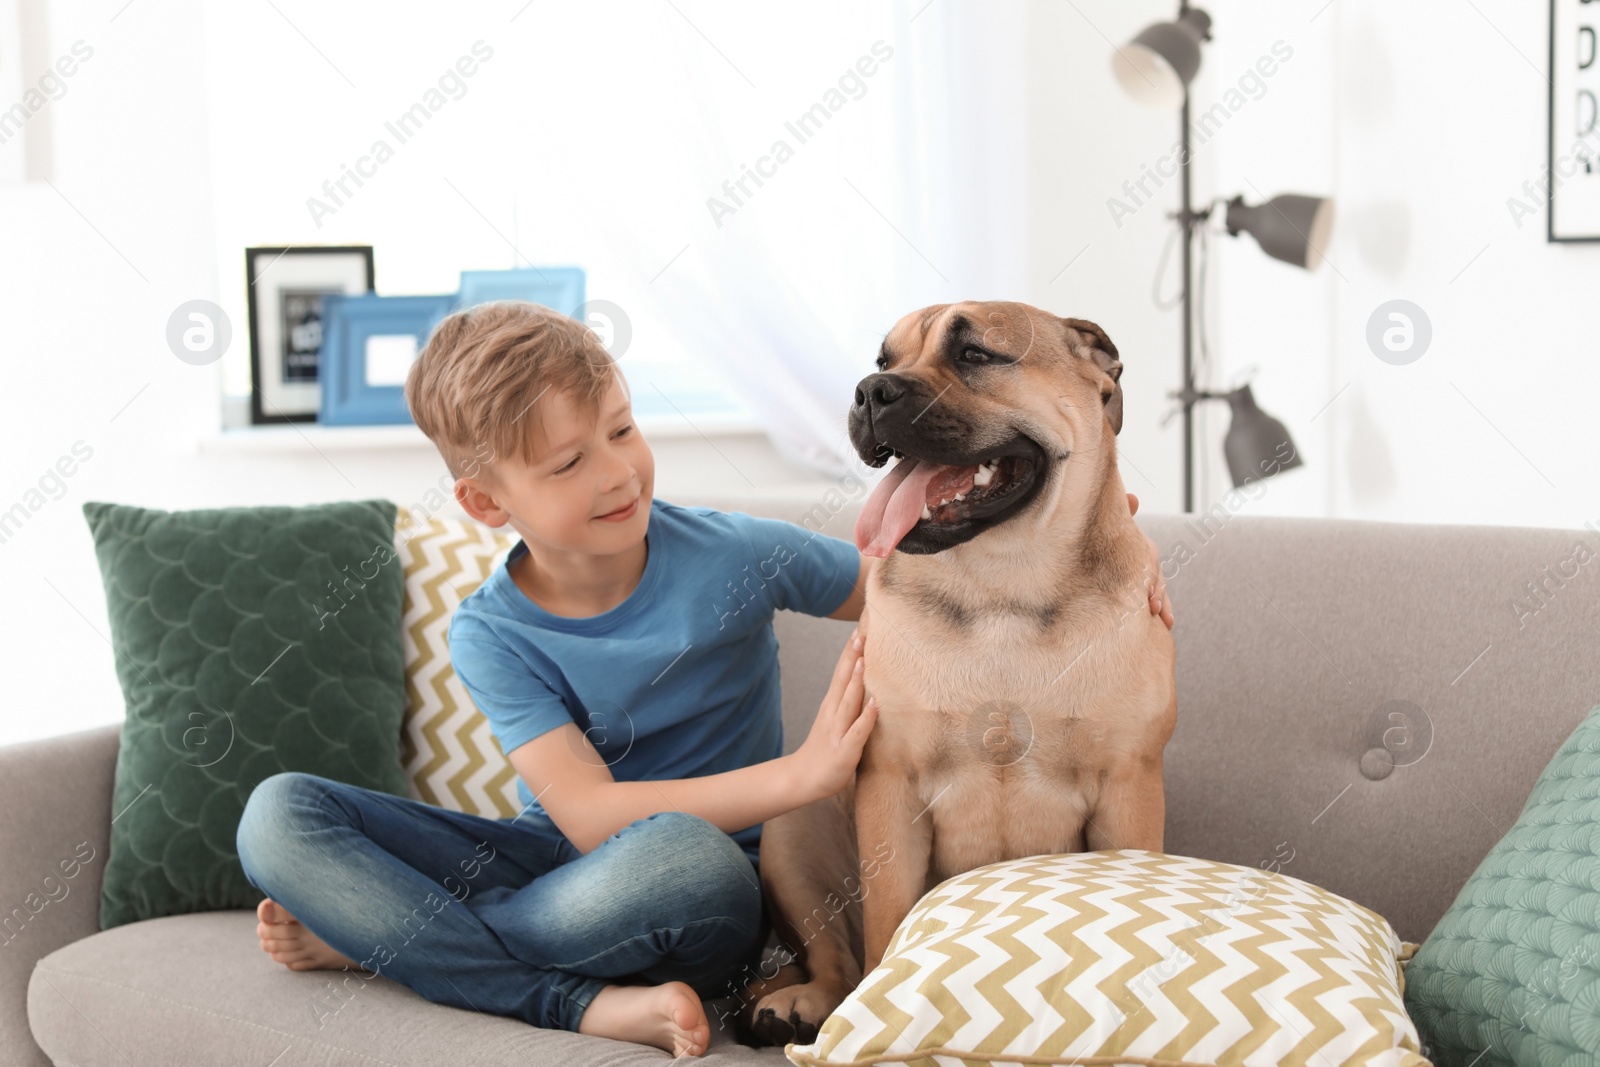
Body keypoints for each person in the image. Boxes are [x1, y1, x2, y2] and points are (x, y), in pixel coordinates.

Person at [234, 300, 1173, 1058]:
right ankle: (517, 977)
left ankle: (395, 938)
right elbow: (588, 819)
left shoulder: (733, 553)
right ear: (486, 503)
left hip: (704, 881)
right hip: (557, 864)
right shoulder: (488, 628)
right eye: (568, 461)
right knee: (278, 812)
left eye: (622, 429)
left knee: (676, 854)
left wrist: (1106, 530)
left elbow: (917, 570)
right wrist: (802, 775)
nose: (616, 473)